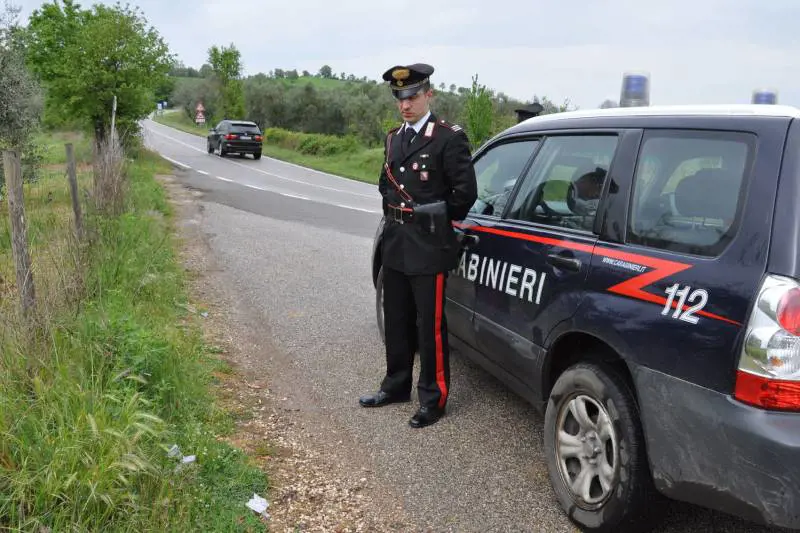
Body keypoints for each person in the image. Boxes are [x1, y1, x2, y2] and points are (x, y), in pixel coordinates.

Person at [359, 63, 478, 428]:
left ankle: (433, 397)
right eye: (400, 97)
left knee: (430, 327)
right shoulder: (394, 138)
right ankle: (396, 385)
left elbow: (465, 194)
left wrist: (433, 217)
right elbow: (384, 182)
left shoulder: (447, 137)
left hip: (427, 247)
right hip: (395, 241)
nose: (405, 104)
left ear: (429, 94)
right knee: (396, 321)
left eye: (412, 96)